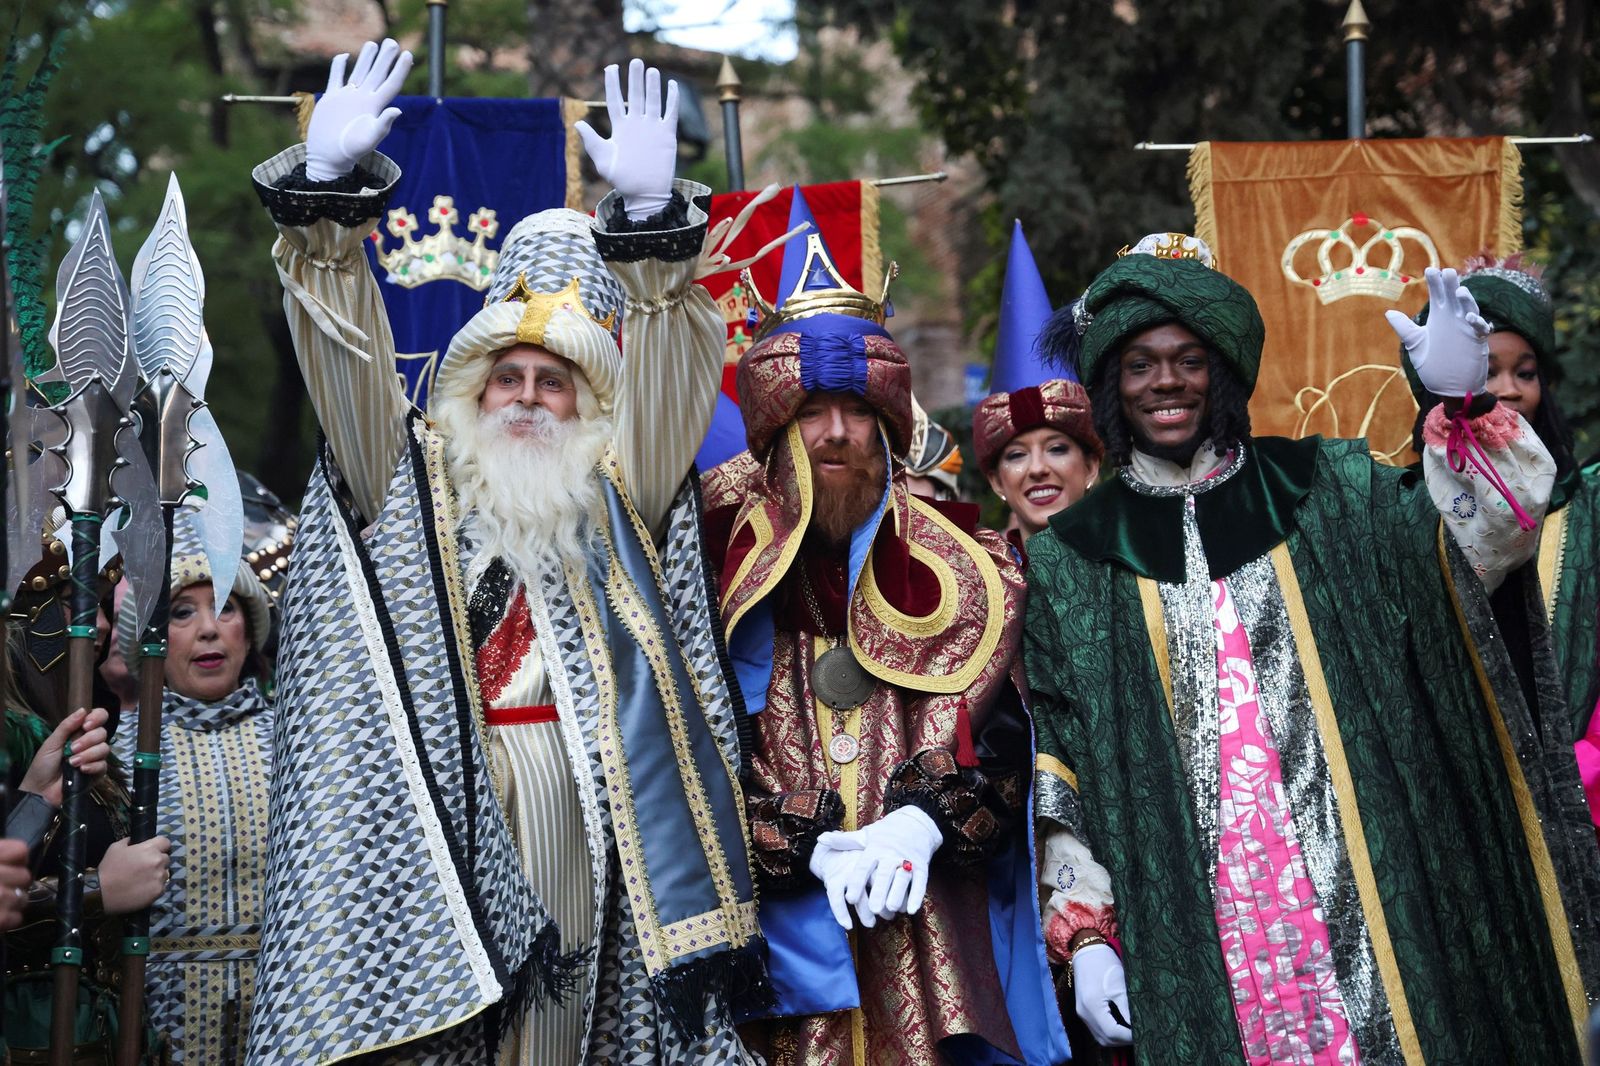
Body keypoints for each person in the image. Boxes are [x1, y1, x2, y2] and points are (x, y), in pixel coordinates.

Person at [247, 39, 762, 1063]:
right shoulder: (407, 471)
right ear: (472, 382)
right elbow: (344, 355)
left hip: (581, 804)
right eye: (508, 375)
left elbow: (666, 372)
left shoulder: (624, 488)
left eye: (554, 379)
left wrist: (655, 240)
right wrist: (326, 205)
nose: (527, 397)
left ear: (589, 398)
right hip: (427, 812)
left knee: (554, 1040)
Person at [1024, 232, 1600, 1063]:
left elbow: (1487, 551)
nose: (1166, 383)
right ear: (1112, 384)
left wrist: (1465, 410)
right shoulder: (1071, 557)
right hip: (1191, 924)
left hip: (1374, 901)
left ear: (1220, 371)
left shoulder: (1327, 487)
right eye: (1140, 363)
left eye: (1188, 359)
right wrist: (1087, 934)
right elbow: (1062, 755)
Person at [702, 231, 1068, 1063]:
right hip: (773, 943)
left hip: (926, 925)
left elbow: (1012, 741)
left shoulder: (970, 561)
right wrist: (784, 838)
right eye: (811, 411)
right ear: (774, 421)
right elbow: (681, 741)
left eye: (859, 411)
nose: (836, 434)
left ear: (887, 423)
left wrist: (923, 824)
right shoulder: (708, 544)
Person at [1405, 255, 1600, 839]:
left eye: (1527, 372)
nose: (1509, 392)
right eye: (1487, 371)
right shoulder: (1400, 511)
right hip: (1454, 800)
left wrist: (1580, 766)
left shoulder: (1590, 506)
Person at [111, 552, 275, 1064]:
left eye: (225, 608)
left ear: (248, 631)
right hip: (157, 1024)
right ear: (152, 639)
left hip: (282, 1013)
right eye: (182, 612)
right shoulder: (117, 753)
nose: (208, 630)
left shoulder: (301, 740)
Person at [973, 378, 1102, 546]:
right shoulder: (976, 571)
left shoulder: (1136, 565)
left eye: (1056, 449)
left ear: (1091, 467)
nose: (1037, 468)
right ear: (997, 482)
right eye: (1017, 455)